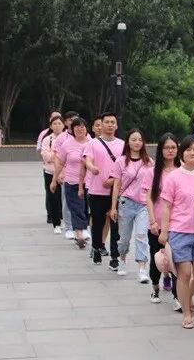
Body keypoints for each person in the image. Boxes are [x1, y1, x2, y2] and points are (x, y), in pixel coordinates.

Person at [158, 135, 194, 329]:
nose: (192, 153)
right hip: (179, 231)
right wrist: (164, 231)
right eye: (188, 149)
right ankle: (186, 313)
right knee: (184, 274)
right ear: (182, 153)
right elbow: (166, 206)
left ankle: (186, 296)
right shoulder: (174, 177)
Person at [109, 129, 154, 283]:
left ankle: (142, 268)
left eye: (140, 140)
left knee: (141, 236)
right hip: (126, 203)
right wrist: (113, 207)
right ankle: (122, 258)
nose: (137, 142)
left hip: (143, 205)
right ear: (128, 142)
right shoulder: (120, 161)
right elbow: (116, 185)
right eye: (134, 139)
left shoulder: (149, 162)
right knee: (124, 238)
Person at [83, 112, 124, 268]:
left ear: (116, 125)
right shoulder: (93, 143)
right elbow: (88, 160)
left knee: (115, 225)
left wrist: (113, 180)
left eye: (113, 122)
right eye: (107, 122)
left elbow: (125, 167)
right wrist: (92, 168)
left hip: (117, 190)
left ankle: (114, 257)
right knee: (97, 223)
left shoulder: (122, 144)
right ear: (102, 124)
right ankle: (96, 248)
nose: (110, 125)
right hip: (97, 190)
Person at [147, 134, 180, 307]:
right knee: (157, 257)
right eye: (167, 147)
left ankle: (177, 296)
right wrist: (152, 221)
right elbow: (149, 198)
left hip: (177, 225)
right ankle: (155, 287)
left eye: (173, 147)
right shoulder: (152, 172)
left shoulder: (182, 171)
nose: (170, 151)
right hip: (158, 223)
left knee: (177, 260)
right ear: (160, 150)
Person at [52, 116, 91, 249]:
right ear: (72, 129)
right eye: (77, 127)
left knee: (85, 208)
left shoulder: (92, 143)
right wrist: (54, 179)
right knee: (76, 207)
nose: (80, 129)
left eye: (82, 127)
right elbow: (60, 163)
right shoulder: (67, 144)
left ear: (86, 128)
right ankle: (79, 233)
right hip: (71, 181)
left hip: (90, 183)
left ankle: (83, 228)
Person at [40, 115, 65, 233]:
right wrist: (57, 155)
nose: (57, 126)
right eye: (54, 124)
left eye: (59, 123)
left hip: (65, 174)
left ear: (64, 125)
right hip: (50, 172)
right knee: (53, 197)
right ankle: (56, 223)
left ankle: (65, 220)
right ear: (50, 126)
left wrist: (55, 156)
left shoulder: (68, 138)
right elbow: (46, 156)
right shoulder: (47, 139)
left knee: (64, 199)